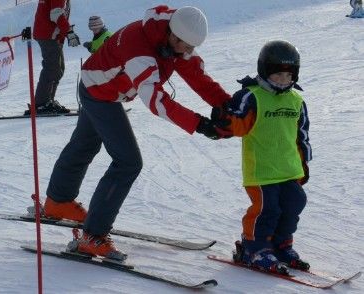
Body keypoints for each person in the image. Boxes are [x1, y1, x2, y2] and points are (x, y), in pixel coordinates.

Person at [42, 5, 232, 260]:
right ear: (173, 37)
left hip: (99, 83)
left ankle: (58, 201)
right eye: (186, 46)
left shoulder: (172, 29)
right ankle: (93, 236)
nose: (188, 52)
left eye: (191, 48)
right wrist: (201, 124)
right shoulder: (140, 53)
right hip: (100, 91)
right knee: (128, 162)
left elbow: (196, 75)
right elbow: (156, 101)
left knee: (85, 143)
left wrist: (226, 105)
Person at [220, 40, 312, 273]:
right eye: (278, 74)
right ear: (264, 71)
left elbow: (301, 135)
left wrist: (303, 164)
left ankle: (281, 244)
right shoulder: (253, 96)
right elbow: (237, 127)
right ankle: (254, 248)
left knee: (294, 203)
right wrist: (227, 113)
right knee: (266, 210)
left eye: (288, 75)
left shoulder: (297, 101)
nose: (283, 80)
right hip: (261, 171)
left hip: (289, 169)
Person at [25, 0, 80, 115]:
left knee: (59, 68)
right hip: (47, 34)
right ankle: (41, 103)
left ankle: (48, 101)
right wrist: (69, 32)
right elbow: (56, 14)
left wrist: (63, 35)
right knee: (52, 68)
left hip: (50, 34)